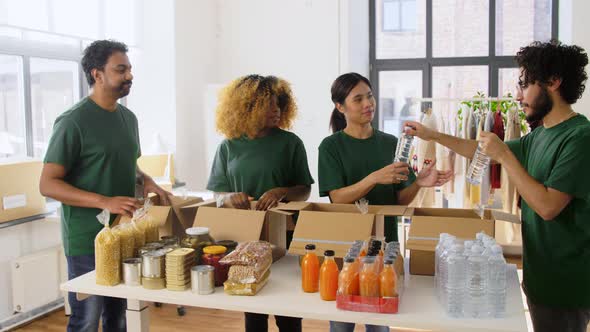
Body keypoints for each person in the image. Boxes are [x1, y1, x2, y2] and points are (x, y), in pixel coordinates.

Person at [406, 40, 590, 332]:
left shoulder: (579, 137)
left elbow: (547, 207)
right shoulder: (539, 136)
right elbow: (477, 150)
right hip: (539, 274)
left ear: (553, 82)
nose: (518, 96)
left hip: (565, 283)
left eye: (524, 84)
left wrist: (503, 154)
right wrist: (433, 135)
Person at [39, 40, 170, 332]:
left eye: (130, 69)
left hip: (125, 231)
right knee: (87, 317)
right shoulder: (73, 122)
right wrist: (104, 201)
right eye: (121, 69)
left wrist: (149, 182)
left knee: (120, 315)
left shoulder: (128, 118)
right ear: (97, 75)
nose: (129, 76)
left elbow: (128, 165)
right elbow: (47, 184)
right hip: (87, 239)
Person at [318, 73, 452, 332]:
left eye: (369, 96)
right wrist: (373, 178)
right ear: (340, 106)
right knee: (342, 324)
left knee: (380, 324)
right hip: (347, 247)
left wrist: (418, 184)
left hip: (386, 246)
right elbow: (337, 197)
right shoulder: (331, 147)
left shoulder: (391, 143)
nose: (368, 103)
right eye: (358, 99)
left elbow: (399, 199)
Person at [207, 74, 314, 332]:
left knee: (288, 312)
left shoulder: (291, 143)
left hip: (284, 238)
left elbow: (304, 191)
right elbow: (217, 195)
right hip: (245, 240)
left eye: (279, 104)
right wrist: (229, 198)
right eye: (268, 105)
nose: (276, 110)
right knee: (253, 311)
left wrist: (282, 191)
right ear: (248, 107)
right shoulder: (228, 147)